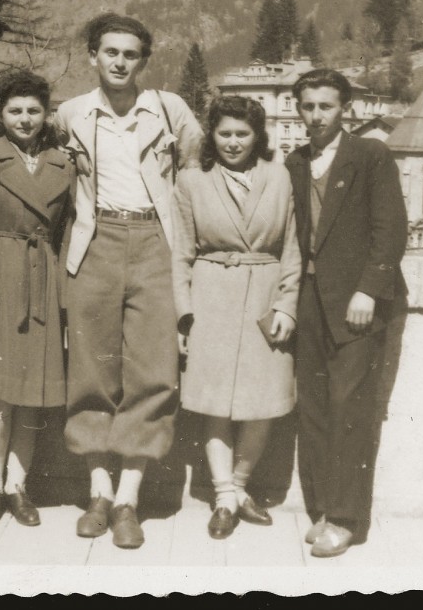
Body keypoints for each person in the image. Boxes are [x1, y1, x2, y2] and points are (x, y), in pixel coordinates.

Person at [56, 13, 203, 549]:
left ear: (144, 60)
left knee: (153, 368)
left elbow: (193, 170)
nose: (120, 62)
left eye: (131, 54)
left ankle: (128, 500)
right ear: (92, 55)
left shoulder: (169, 110)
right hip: (94, 243)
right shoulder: (71, 114)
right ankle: (98, 489)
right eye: (110, 52)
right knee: (91, 365)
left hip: (154, 244)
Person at [284, 69, 408, 558]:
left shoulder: (370, 156)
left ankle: (345, 517)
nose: (316, 116)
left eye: (326, 107)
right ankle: (320, 509)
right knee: (312, 407)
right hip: (308, 301)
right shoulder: (295, 162)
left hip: (357, 303)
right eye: (308, 106)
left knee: (351, 409)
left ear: (345, 110)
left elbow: (390, 229)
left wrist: (369, 291)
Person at [171, 96, 301, 540]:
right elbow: (181, 253)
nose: (232, 142)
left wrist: (286, 304)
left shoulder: (279, 177)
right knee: (215, 403)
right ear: (212, 135)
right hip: (212, 298)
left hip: (265, 294)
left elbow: (292, 247)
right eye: (224, 133)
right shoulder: (191, 180)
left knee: (262, 404)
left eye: (242, 134)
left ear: (257, 137)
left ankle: (241, 487)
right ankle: (224, 496)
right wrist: (184, 315)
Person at [0, 70, 75, 528]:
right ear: (0, 113)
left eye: (33, 110)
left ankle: (17, 486)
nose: (25, 119)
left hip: (42, 279)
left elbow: (65, 234)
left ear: (46, 114)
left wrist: (64, 299)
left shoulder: (62, 162)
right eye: (15, 110)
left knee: (33, 395)